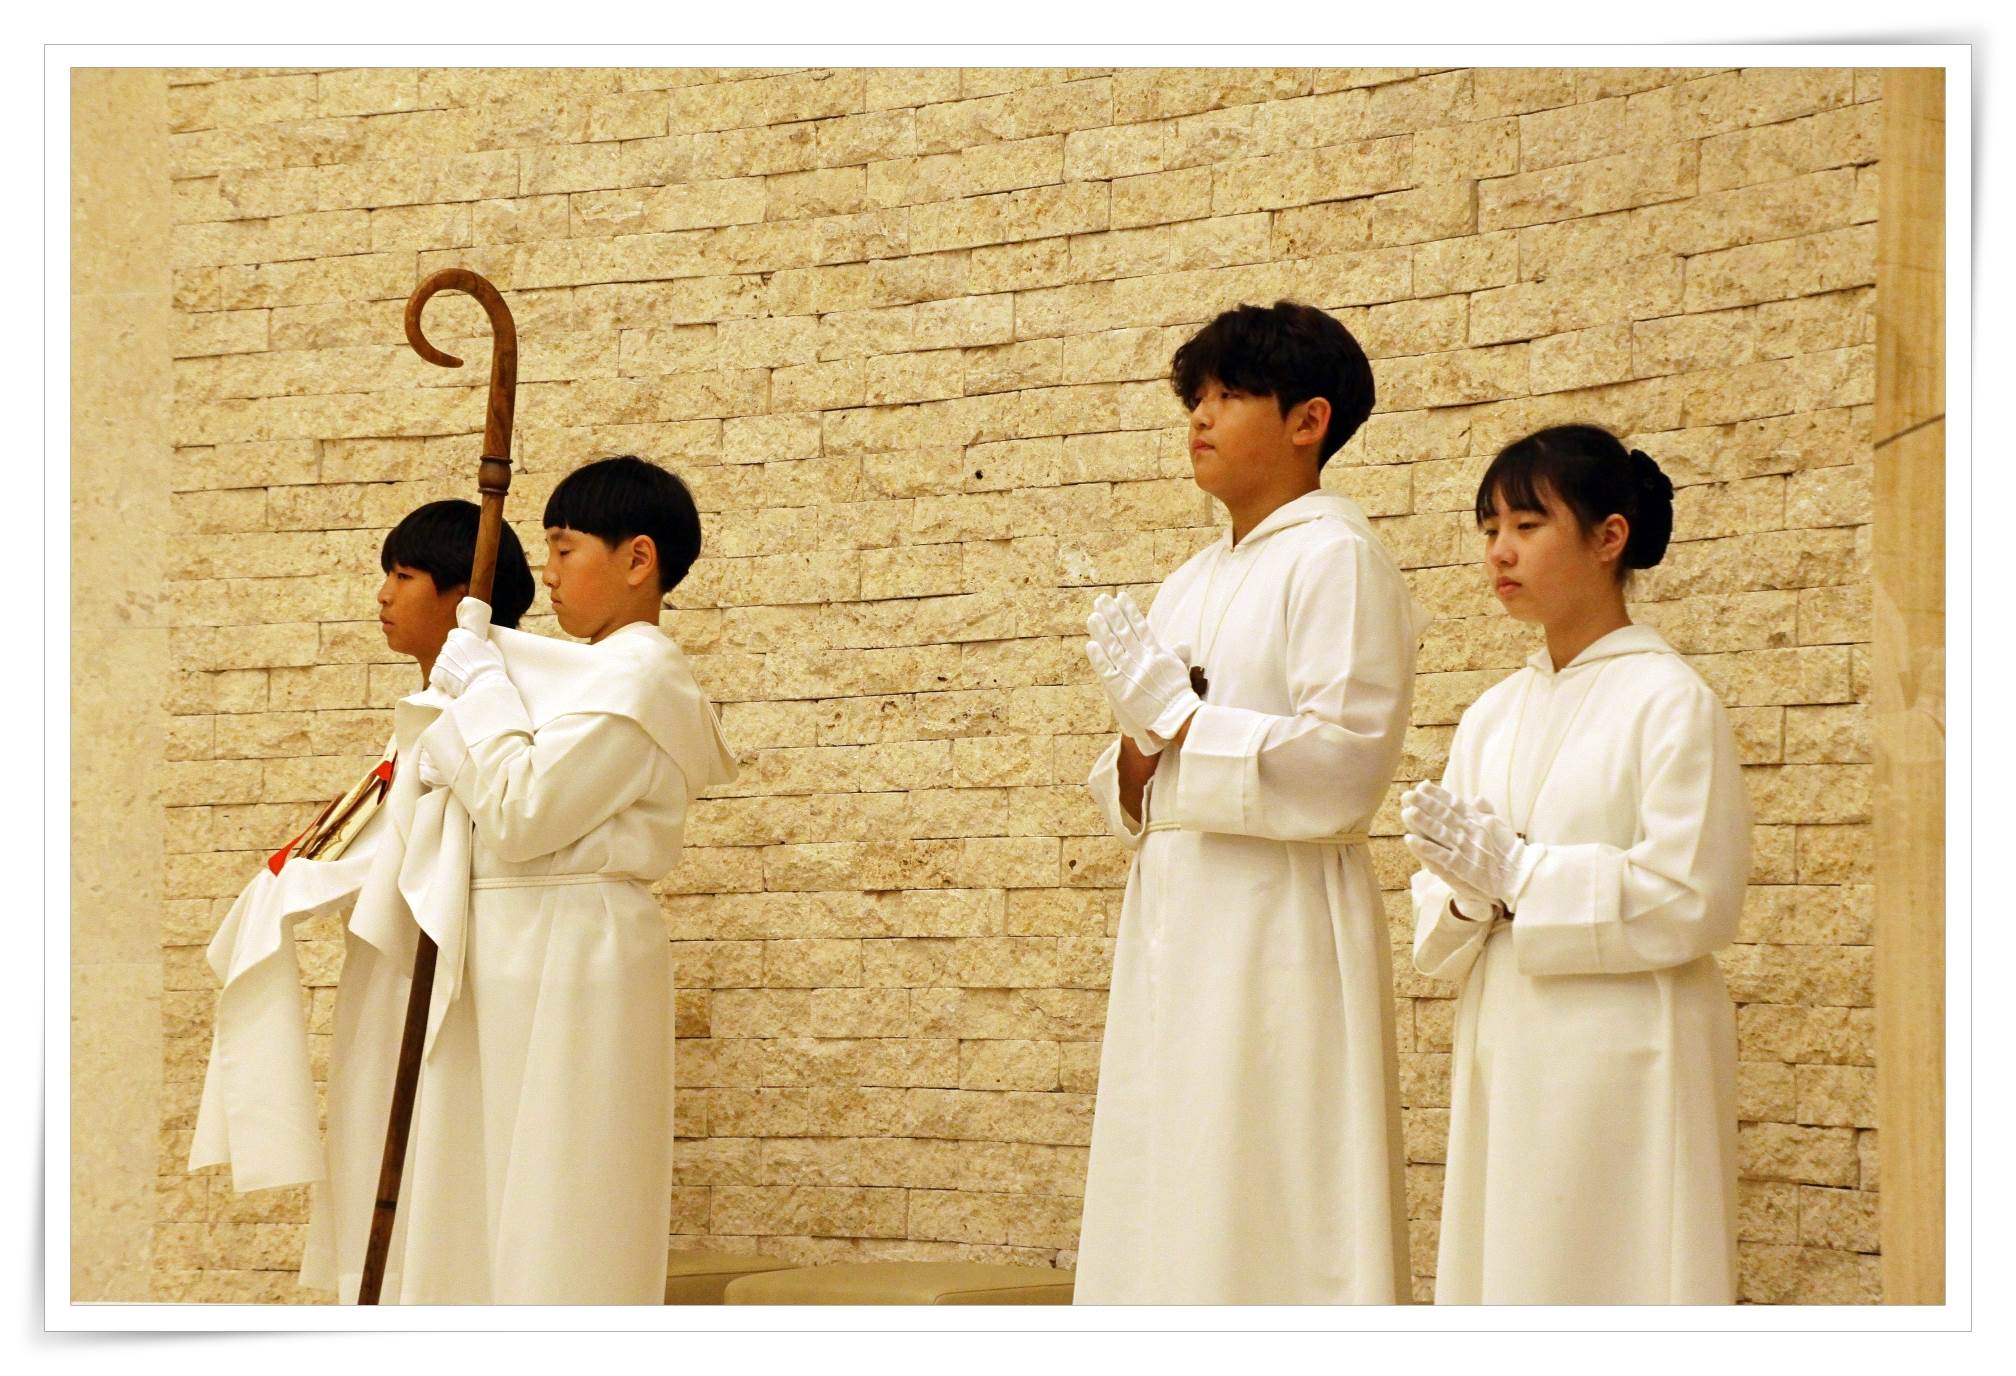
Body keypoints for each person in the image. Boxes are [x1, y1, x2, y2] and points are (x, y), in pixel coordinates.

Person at [301, 456, 737, 1304]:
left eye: (566, 549)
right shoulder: (580, 673)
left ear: (637, 558)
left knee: (559, 1203)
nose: (550, 573)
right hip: (507, 953)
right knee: (476, 1196)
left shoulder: (640, 679)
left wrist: (482, 691)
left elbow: (521, 811)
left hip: (572, 953)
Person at [1074, 301, 1424, 1304]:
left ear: (1309, 419)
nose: (1201, 416)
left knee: (1269, 1188)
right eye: (1197, 396)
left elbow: (1345, 764)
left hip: (1276, 919)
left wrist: (1181, 721)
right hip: (1175, 914)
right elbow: (1144, 773)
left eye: (1229, 395)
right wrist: (1141, 744)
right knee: (1168, 1175)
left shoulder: (1336, 558)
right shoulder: (1189, 579)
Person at [1403, 424, 1751, 1305]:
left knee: (1622, 1273)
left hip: (1628, 1057)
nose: (1500, 551)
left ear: (1609, 537)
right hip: (1509, 1041)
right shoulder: (1492, 715)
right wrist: (1468, 900)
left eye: (1528, 525)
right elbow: (1438, 902)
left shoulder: (1670, 701)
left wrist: (1521, 878)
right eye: (1489, 529)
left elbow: (1692, 895)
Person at [189, 501, 534, 1194]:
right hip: (392, 968)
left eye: (403, 577)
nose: (382, 595)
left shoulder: (495, 708)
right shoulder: (427, 704)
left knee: (438, 1172)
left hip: (455, 978)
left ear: (464, 597)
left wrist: (296, 885)